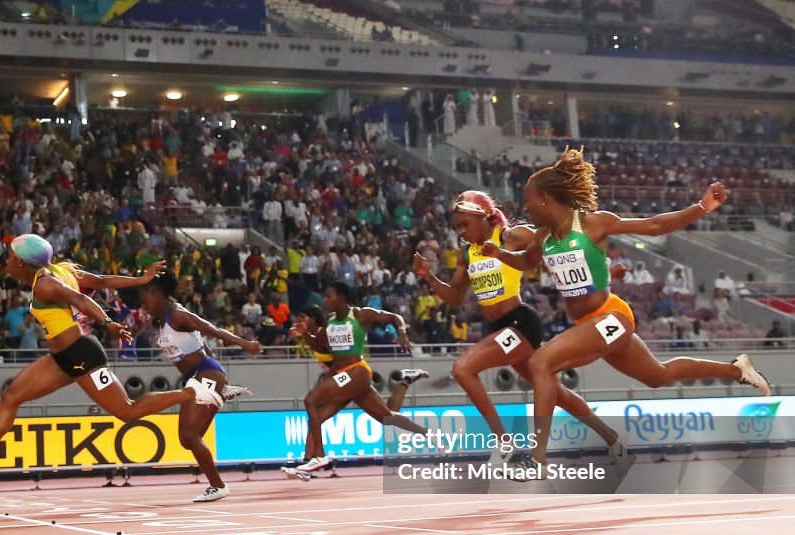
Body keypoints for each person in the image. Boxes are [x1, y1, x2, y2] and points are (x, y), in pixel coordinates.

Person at [483, 148, 771, 479]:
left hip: (611, 317)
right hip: (588, 324)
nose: (525, 208)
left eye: (528, 201)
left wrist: (703, 206)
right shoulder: (545, 238)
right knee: (657, 376)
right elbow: (526, 262)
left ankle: (538, 459)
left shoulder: (592, 224)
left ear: (546, 199)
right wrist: (500, 254)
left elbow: (654, 225)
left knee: (540, 363)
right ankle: (738, 369)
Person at [0, 234, 223, 481]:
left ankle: (191, 393)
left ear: (21, 263)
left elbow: (82, 300)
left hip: (81, 355)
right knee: (11, 395)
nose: (5, 260)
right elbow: (101, 281)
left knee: (127, 411)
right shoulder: (62, 270)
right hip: (61, 358)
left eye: (10, 256)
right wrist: (141, 279)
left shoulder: (46, 284)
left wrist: (107, 322)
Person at [413, 191, 624, 467]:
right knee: (556, 393)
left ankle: (504, 443)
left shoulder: (510, 237)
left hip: (520, 324)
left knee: (463, 369)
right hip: (500, 329)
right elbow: (454, 297)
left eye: (465, 224)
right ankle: (611, 439)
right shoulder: (467, 254)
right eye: (457, 227)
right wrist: (429, 277)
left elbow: (553, 236)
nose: (461, 232)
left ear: (485, 217)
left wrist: (600, 265)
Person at [282, 282, 429, 481]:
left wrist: (402, 334)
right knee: (386, 417)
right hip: (343, 376)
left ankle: (319, 456)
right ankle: (428, 433)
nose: (324, 300)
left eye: (328, 296)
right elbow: (321, 345)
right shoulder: (330, 321)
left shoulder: (360, 315)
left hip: (356, 372)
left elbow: (395, 317)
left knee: (311, 400)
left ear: (341, 297)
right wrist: (305, 334)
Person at [139, 272, 261, 502]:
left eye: (145, 300)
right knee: (186, 440)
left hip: (206, 373)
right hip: (195, 377)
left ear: (157, 294)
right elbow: (200, 342)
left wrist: (245, 344)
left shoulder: (178, 315)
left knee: (191, 434)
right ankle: (222, 391)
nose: (143, 306)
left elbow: (211, 330)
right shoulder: (162, 318)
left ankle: (218, 486)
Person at [292, 304, 429, 409]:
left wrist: (329, 377)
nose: (298, 320)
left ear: (313, 319)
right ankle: (406, 380)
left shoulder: (327, 331)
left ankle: (315, 445)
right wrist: (303, 334)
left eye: (302, 317)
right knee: (388, 416)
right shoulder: (317, 336)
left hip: (350, 375)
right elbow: (320, 349)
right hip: (345, 378)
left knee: (315, 405)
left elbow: (338, 359)